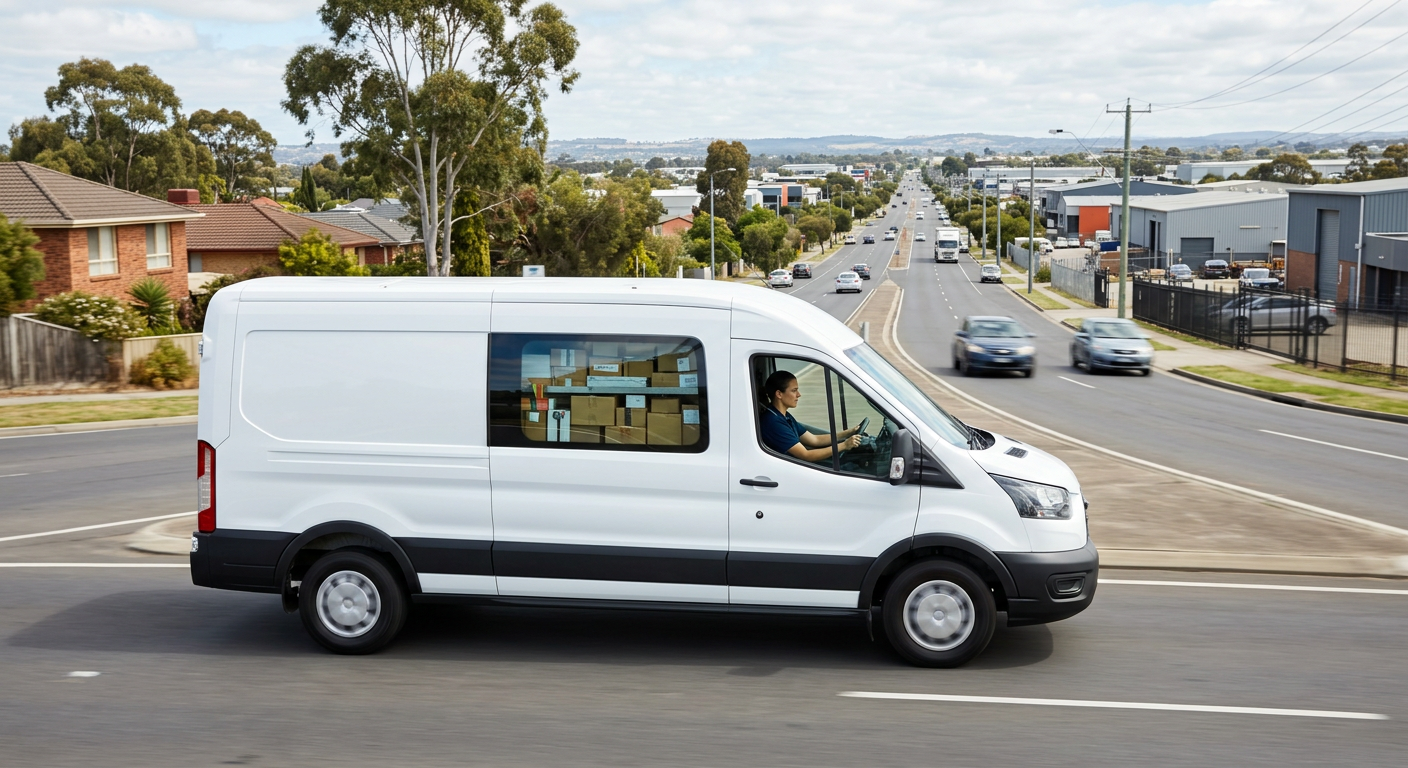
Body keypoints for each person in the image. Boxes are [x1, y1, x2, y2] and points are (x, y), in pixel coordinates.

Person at [759, 369, 861, 463]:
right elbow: (806, 455)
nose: (799, 394)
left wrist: (847, 433)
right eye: (794, 390)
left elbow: (814, 440)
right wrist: (844, 445)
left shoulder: (784, 416)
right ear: (779, 394)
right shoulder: (773, 422)